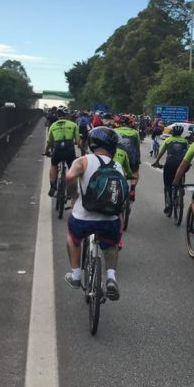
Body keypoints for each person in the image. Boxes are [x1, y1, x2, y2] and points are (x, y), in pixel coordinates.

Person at [64, 127, 125, 300]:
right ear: (112, 147)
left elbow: (69, 178)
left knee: (73, 238)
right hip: (109, 220)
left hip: (83, 218)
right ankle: (111, 278)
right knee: (111, 244)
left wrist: (74, 196)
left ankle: (76, 276)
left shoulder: (82, 161)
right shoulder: (117, 165)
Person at [152, 124, 189, 215]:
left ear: (172, 132)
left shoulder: (168, 140)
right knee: (182, 173)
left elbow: (161, 152)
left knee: (167, 185)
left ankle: (168, 204)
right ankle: (181, 187)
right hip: (181, 165)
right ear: (181, 133)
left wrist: (157, 162)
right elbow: (188, 153)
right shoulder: (185, 141)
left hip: (170, 164)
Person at [46, 110, 80, 198]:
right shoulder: (73, 124)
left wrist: (47, 151)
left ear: (58, 116)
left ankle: (53, 186)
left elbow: (50, 142)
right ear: (67, 115)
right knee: (72, 169)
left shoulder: (53, 125)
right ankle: (70, 191)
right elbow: (77, 141)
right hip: (69, 149)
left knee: (54, 165)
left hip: (57, 148)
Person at [115, 118, 141, 200]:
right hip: (132, 156)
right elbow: (137, 146)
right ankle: (132, 189)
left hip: (118, 155)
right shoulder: (135, 132)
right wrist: (138, 158)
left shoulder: (115, 131)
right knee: (135, 172)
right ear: (130, 124)